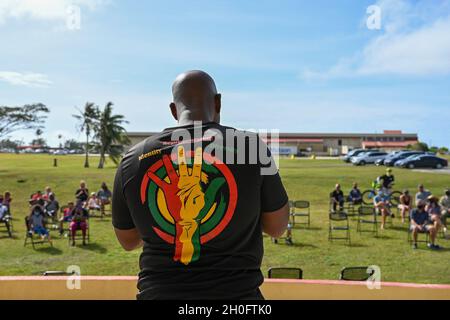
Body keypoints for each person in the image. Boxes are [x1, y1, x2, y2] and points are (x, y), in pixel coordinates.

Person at [112, 70, 289, 300]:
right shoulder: (250, 148)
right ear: (218, 103)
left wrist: (180, 221)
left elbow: (128, 241)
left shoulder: (134, 158)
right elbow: (277, 227)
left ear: (174, 110)